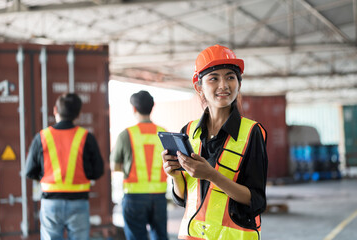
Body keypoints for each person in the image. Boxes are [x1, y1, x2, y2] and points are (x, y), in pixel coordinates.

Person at [162, 45, 268, 240]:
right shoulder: (189, 131)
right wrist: (175, 175)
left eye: (230, 77)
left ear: (239, 83)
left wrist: (212, 175)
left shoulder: (251, 133)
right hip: (191, 235)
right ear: (199, 87)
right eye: (213, 78)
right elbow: (183, 198)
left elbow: (257, 201)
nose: (223, 85)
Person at [25, 93, 104, 240]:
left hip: (51, 202)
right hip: (79, 202)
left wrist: (46, 176)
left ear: (55, 110)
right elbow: (98, 171)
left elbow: (29, 171)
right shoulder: (86, 136)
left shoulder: (42, 136)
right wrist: (83, 175)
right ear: (79, 114)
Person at [110, 90, 168, 240]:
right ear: (152, 106)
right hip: (159, 195)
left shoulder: (126, 134)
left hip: (134, 196)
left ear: (134, 108)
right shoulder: (163, 133)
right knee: (160, 236)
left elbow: (114, 166)